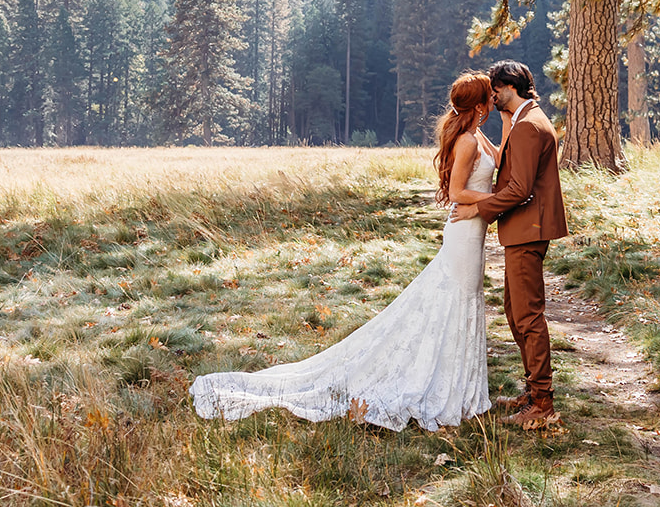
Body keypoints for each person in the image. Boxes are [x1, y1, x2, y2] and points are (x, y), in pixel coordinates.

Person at [190, 72, 499, 431]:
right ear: (478, 105)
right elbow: (459, 192)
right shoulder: (467, 142)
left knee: (461, 303)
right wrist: (497, 199)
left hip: (472, 232)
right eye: (490, 96)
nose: (494, 100)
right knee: (455, 303)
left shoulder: (478, 135)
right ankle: (443, 386)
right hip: (463, 234)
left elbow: (493, 162)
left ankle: (462, 385)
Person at [452, 59, 567, 429]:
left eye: (495, 90)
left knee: (528, 317)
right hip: (524, 229)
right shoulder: (523, 121)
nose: (492, 96)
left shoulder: (529, 127)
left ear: (509, 87)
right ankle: (533, 392)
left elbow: (519, 188)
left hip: (528, 230)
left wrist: (478, 209)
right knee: (516, 312)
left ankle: (543, 403)